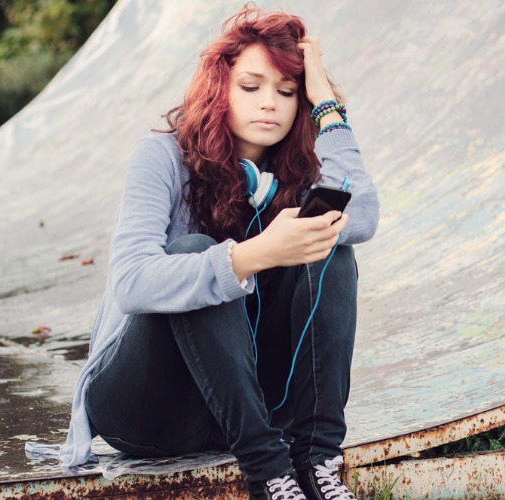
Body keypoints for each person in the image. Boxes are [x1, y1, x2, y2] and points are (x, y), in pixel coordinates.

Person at [60, 6, 379, 500]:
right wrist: (249, 256)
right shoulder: (162, 156)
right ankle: (268, 472)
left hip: (241, 404)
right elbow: (130, 283)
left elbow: (361, 218)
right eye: (251, 87)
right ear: (221, 89)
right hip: (146, 409)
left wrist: (327, 105)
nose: (268, 103)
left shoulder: (294, 169)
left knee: (330, 246)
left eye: (287, 92)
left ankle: (318, 459)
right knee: (192, 250)